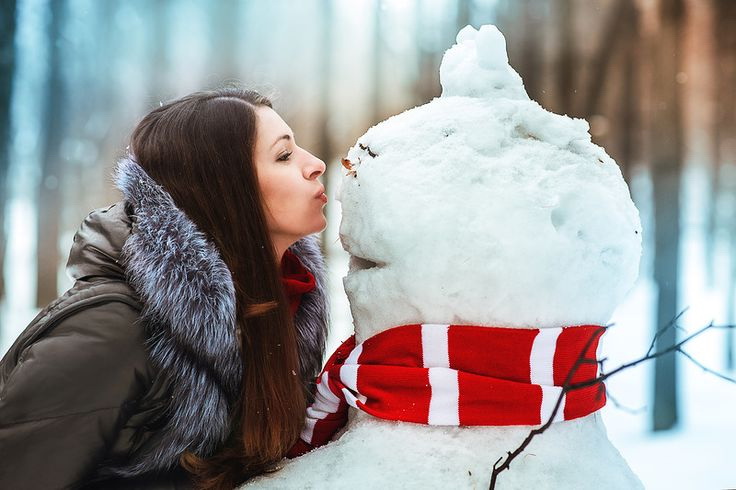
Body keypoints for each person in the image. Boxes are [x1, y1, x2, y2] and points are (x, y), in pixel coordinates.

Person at [0, 87, 330, 489]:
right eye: (284, 156)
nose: (315, 165)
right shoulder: (112, 332)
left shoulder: (282, 303)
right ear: (223, 190)